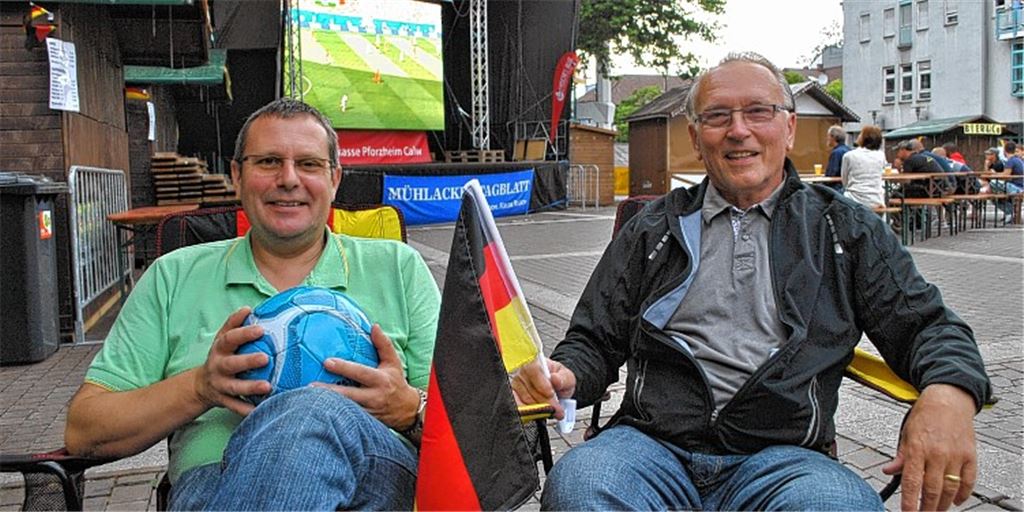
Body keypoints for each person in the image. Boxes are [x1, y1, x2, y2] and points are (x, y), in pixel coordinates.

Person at [514, 52, 990, 512]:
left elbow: (929, 328)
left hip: (786, 459)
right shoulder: (652, 227)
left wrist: (949, 393)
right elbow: (593, 339)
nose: (738, 130)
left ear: (789, 127)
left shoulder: (844, 229)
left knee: (839, 506)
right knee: (582, 486)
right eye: (718, 115)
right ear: (697, 139)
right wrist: (567, 375)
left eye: (758, 111)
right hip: (650, 447)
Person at [64, 98, 442, 510]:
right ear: (236, 176)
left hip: (375, 478)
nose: (289, 179)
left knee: (308, 412)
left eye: (310, 165)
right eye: (268, 162)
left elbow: (469, 423)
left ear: (335, 180)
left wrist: (411, 407)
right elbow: (85, 430)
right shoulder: (174, 276)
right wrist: (199, 387)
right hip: (213, 484)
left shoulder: (396, 268)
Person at [841, 124, 888, 207]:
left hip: (854, 198)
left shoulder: (848, 155)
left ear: (863, 138)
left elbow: (845, 181)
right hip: (876, 199)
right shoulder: (881, 155)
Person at [987, 141, 1024, 220]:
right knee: (994, 194)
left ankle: (1010, 212)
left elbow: (1005, 175)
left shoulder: (1010, 161)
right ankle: (1010, 212)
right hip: (1019, 186)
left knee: (992, 184)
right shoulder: (1018, 160)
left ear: (1004, 150)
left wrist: (994, 174)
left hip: (1016, 188)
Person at [824, 124, 850, 192]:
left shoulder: (836, 153)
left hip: (837, 188)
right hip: (848, 186)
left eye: (828, 136)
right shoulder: (849, 150)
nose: (827, 138)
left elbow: (831, 174)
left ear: (833, 137)